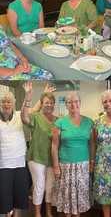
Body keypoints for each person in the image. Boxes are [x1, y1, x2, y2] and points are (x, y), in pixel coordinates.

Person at [51, 92, 94, 217]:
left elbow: (92, 144)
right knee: (67, 197)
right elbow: (54, 145)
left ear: (80, 103)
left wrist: (92, 162)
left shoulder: (89, 122)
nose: (73, 104)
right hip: (65, 165)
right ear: (66, 105)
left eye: (76, 101)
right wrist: (55, 166)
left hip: (83, 166)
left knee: (79, 197)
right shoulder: (59, 123)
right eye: (70, 102)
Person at [21, 82, 57, 217]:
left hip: (51, 159)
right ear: (42, 103)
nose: (49, 105)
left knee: (50, 187)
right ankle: (37, 213)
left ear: (54, 104)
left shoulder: (57, 121)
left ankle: (48, 212)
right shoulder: (35, 117)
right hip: (36, 157)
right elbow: (24, 118)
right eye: (46, 102)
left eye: (51, 102)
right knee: (39, 185)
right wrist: (28, 98)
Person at [0, 92, 31, 217]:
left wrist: (28, 97)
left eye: (9, 101)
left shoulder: (19, 115)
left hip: (19, 163)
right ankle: (8, 214)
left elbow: (31, 109)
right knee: (5, 195)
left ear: (13, 103)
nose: (6, 104)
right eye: (4, 101)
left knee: (19, 195)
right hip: (3, 164)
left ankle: (16, 215)